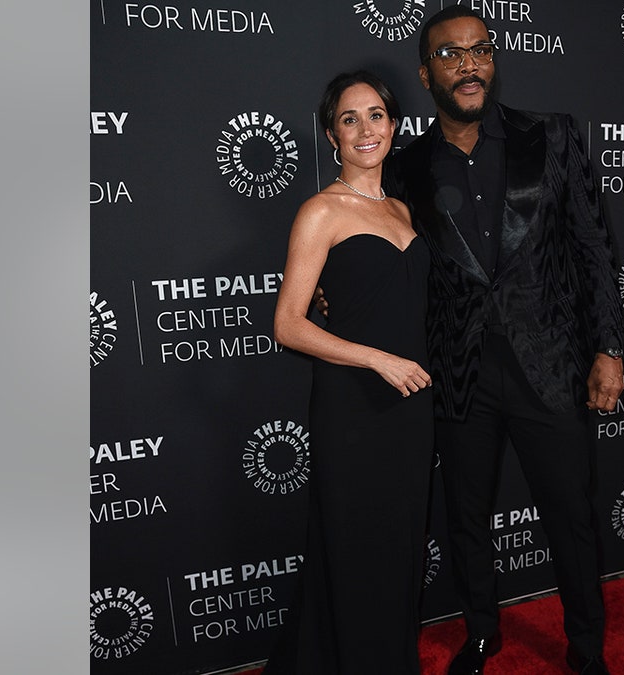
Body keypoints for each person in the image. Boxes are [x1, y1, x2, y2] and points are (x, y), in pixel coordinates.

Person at [382, 7, 624, 675]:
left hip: (550, 365)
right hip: (458, 373)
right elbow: (383, 261)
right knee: (466, 518)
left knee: (572, 519)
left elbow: (595, 248)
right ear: (426, 71)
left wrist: (610, 345)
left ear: (493, 59)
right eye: (452, 54)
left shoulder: (551, 137)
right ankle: (483, 633)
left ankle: (585, 648)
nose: (470, 64)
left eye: (480, 50)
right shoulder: (405, 168)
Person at [262, 70, 434, 675]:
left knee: (399, 547)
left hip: (410, 406)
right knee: (356, 545)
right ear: (331, 135)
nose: (366, 130)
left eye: (377, 116)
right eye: (349, 119)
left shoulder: (402, 208)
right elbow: (288, 324)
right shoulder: (320, 211)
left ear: (394, 124)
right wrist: (374, 357)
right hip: (353, 405)